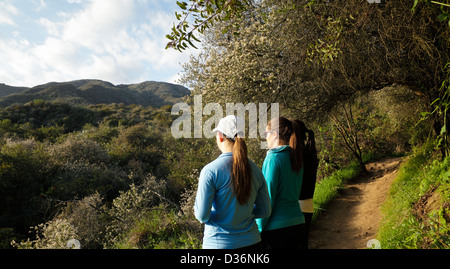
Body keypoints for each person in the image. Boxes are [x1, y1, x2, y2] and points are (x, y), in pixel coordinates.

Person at [194, 115, 271, 249]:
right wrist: (244, 213)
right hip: (253, 242)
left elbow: (202, 216)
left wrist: (223, 215)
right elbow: (265, 211)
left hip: (219, 244)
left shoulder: (210, 171)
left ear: (220, 136)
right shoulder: (256, 170)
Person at [256, 117, 305, 249]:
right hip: (298, 222)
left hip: (277, 228)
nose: (265, 138)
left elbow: (268, 198)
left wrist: (258, 229)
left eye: (266, 134)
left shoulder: (273, 158)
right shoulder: (296, 156)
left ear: (275, 134)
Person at [296, 120, 319, 249]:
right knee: (304, 243)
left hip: (297, 206)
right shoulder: (310, 153)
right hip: (308, 205)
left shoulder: (298, 156)